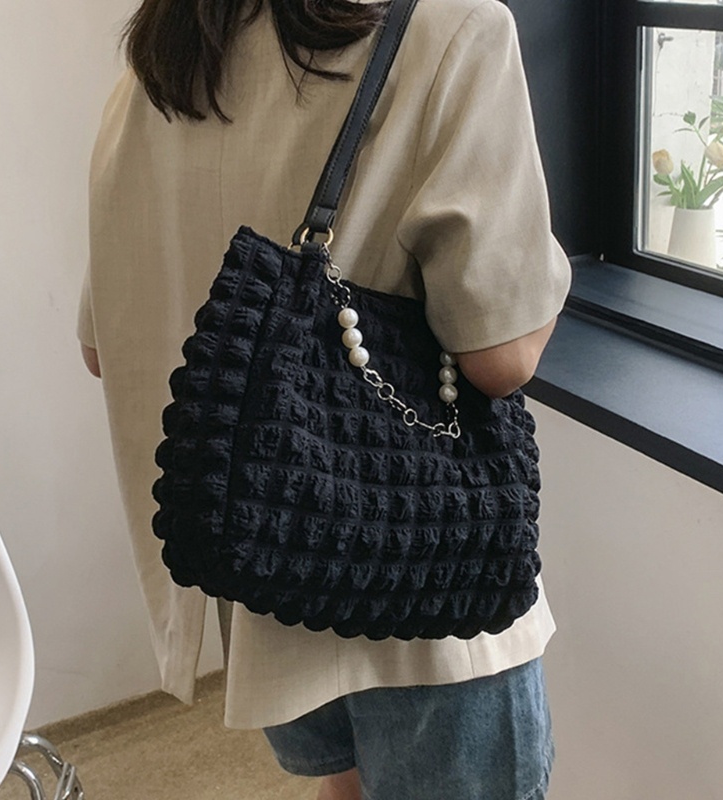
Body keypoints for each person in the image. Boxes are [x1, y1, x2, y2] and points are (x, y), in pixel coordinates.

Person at [78, 0, 571, 796]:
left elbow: (103, 346)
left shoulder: (164, 57)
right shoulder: (455, 28)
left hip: (265, 568)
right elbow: (501, 356)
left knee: (343, 787)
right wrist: (543, 263)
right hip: (425, 595)